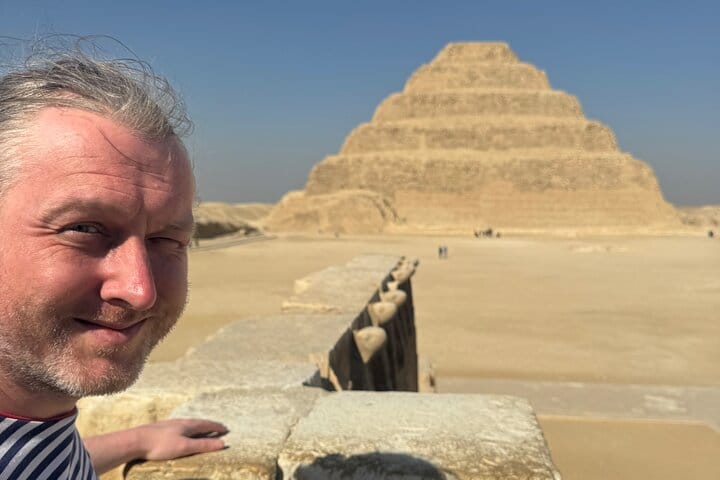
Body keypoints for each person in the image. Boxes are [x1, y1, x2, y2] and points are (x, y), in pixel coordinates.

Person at [0, 39, 227, 478]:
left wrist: (133, 441)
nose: (141, 291)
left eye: (165, 239)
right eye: (84, 229)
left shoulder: (34, 429)